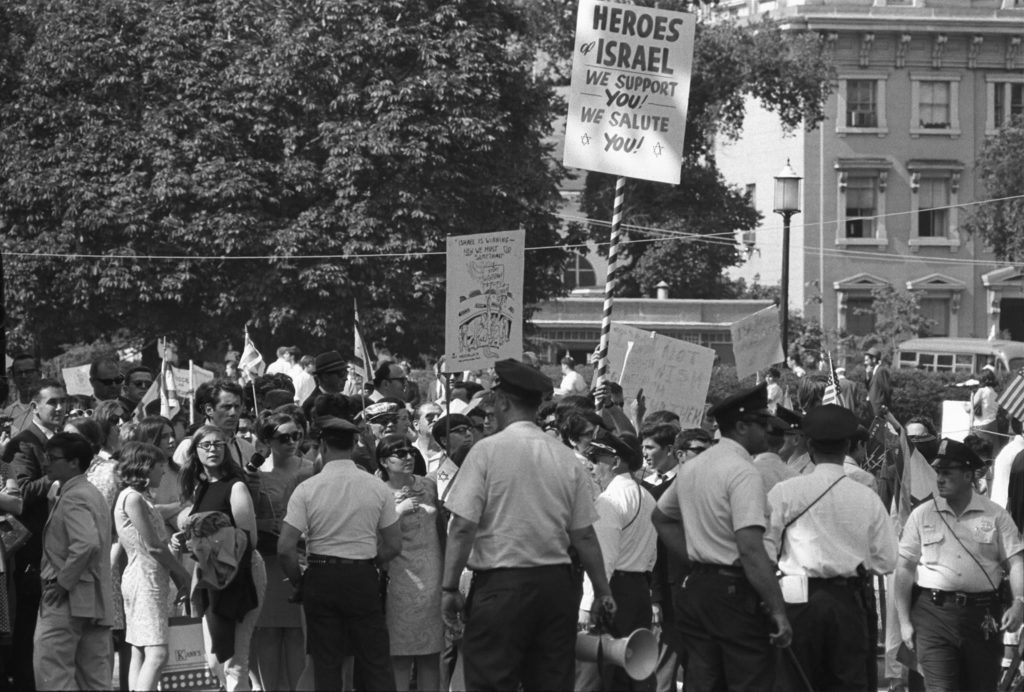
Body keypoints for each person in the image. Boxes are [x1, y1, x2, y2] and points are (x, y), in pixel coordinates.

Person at [441, 358, 616, 691]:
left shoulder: (486, 452)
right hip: (555, 588)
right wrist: (603, 590)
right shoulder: (565, 456)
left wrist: (449, 587)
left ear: (504, 402)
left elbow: (463, 527)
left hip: (501, 587)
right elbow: (584, 535)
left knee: (491, 683)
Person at [651, 383, 792, 692]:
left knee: (703, 680)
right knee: (749, 680)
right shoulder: (742, 471)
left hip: (699, 588)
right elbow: (750, 548)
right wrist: (778, 609)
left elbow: (661, 517)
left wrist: (694, 556)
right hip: (734, 591)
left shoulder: (693, 467)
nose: (768, 430)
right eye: (761, 423)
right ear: (742, 426)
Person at [765, 404, 898, 691]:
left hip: (796, 600)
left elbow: (765, 551)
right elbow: (886, 561)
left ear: (809, 444)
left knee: (793, 682)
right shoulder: (867, 496)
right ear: (848, 445)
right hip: (847, 601)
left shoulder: (785, 492)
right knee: (847, 683)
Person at [277, 416, 401, 691]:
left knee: (326, 663)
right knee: (375, 660)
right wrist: (371, 563)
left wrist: (300, 582)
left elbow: (285, 548)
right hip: (362, 575)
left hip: (321, 574)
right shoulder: (377, 487)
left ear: (322, 445)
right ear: (355, 446)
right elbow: (394, 545)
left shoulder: (308, 488)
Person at [894, 438, 1024, 692]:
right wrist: (903, 621)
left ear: (967, 475)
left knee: (980, 687)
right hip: (933, 614)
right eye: (938, 472)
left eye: (947, 473)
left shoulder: (996, 516)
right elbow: (904, 569)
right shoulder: (922, 515)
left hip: (982, 617)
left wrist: (1019, 601)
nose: (939, 479)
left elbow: (1016, 563)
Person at [179, 424, 266, 691]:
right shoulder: (199, 488)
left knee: (235, 660)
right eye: (206, 445)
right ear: (195, 452)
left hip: (241, 574)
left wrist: (207, 539)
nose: (213, 450)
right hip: (211, 577)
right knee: (214, 658)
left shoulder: (236, 487)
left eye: (218, 444)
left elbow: (248, 540)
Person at [33, 432, 114, 690]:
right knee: (94, 680)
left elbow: (86, 543)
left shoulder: (75, 495)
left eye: (52, 458)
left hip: (67, 598)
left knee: (53, 675)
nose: (46, 463)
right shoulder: (88, 492)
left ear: (74, 463)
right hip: (92, 600)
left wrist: (63, 583)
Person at [3, 378, 68, 691]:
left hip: (57, 547)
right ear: (34, 407)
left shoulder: (64, 440)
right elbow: (23, 493)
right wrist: (57, 474)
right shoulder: (24, 443)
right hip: (31, 550)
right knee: (29, 625)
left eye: (62, 401)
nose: (59, 407)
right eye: (52, 402)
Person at [114, 442, 191, 691]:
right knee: (157, 653)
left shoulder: (135, 497)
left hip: (146, 578)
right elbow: (153, 547)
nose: (164, 472)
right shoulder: (133, 498)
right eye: (160, 467)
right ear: (145, 468)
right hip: (146, 580)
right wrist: (183, 575)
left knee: (140, 650)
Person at [585, 436, 657, 691]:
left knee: (595, 674)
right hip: (638, 590)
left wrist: (589, 604)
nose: (591, 466)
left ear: (615, 462)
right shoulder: (648, 497)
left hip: (612, 590)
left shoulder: (609, 500)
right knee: (629, 674)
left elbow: (603, 558)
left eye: (595, 460)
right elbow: (651, 558)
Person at [250, 411, 313, 692]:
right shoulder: (255, 474)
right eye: (283, 437)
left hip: (303, 559)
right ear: (267, 440)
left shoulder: (312, 469)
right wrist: (267, 523)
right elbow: (244, 518)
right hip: (269, 560)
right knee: (269, 633)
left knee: (299, 633)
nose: (292, 442)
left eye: (297, 435)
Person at [376, 434, 443, 692]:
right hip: (398, 577)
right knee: (400, 655)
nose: (408, 457)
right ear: (383, 461)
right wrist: (397, 511)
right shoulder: (378, 491)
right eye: (400, 453)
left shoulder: (429, 485)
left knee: (431, 654)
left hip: (432, 575)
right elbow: (371, 538)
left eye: (410, 452)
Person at [3, 353, 40, 437]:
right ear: (13, 377)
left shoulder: (47, 409)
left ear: (39, 374)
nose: (24, 376)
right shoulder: (7, 413)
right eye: (19, 373)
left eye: (29, 372)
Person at [970, 369, 1001, 453]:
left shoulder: (981, 391)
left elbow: (970, 408)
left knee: (979, 452)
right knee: (992, 452)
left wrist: (964, 405)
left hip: (981, 425)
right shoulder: (995, 393)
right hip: (993, 424)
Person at [412, 402, 445, 474]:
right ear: (416, 425)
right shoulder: (408, 452)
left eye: (440, 416)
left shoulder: (450, 454)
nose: (436, 419)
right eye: (429, 416)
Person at [864, 346, 892, 418]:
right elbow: (870, 388)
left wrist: (885, 405)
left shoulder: (881, 371)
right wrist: (867, 375)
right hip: (872, 407)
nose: (865, 363)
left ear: (873, 359)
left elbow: (887, 389)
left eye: (867, 360)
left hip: (878, 407)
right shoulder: (873, 371)